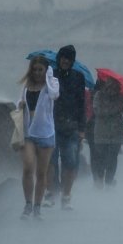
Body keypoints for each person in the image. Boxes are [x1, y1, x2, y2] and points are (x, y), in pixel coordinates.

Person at [44, 44, 86, 210]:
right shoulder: (50, 75)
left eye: (68, 59)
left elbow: (81, 103)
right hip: (51, 125)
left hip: (71, 126)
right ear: (59, 59)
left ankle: (66, 195)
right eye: (63, 58)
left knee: (70, 163)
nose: (65, 61)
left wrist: (82, 127)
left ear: (72, 60)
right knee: (50, 162)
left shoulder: (78, 77)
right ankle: (51, 192)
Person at [17, 56, 59, 220]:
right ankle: (28, 204)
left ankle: (37, 207)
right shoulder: (26, 85)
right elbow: (19, 101)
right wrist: (20, 104)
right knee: (28, 168)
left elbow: (55, 95)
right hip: (28, 133)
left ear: (46, 70)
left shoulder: (52, 83)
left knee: (41, 173)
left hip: (46, 133)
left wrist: (49, 76)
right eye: (34, 69)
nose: (36, 73)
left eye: (40, 69)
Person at [92, 77, 123, 188]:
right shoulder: (98, 96)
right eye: (110, 86)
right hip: (101, 132)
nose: (112, 89)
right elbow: (97, 111)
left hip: (116, 132)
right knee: (101, 157)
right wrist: (115, 108)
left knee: (112, 158)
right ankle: (100, 179)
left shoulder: (121, 98)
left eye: (115, 87)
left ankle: (109, 181)